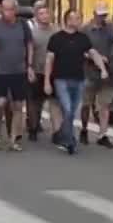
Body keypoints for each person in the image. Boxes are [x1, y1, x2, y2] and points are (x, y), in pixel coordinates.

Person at [43, 10, 107, 155]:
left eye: (79, 18)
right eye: (75, 18)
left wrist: (102, 69)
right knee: (67, 109)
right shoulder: (56, 38)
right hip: (61, 79)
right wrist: (47, 81)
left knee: (72, 110)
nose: (78, 21)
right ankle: (70, 140)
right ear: (68, 20)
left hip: (78, 80)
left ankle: (62, 134)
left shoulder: (83, 38)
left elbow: (93, 53)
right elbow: (49, 60)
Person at [0, 0, 34, 151]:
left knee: (18, 105)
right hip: (1, 71)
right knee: (0, 104)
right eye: (5, 9)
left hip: (19, 70)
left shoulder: (23, 25)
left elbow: (29, 44)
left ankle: (13, 139)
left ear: (16, 10)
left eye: (11, 9)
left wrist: (29, 65)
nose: (8, 12)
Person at [81, 0, 113, 148]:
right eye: (100, 15)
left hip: (107, 73)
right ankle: (84, 129)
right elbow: (80, 50)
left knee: (105, 105)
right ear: (94, 14)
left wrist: (110, 60)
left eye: (104, 15)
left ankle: (103, 134)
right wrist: (92, 57)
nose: (102, 18)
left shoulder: (111, 29)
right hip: (89, 72)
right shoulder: (85, 30)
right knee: (86, 104)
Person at [26, 4, 58, 143]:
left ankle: (57, 132)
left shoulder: (56, 32)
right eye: (41, 13)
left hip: (53, 72)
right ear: (37, 17)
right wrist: (29, 68)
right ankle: (33, 128)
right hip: (37, 71)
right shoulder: (32, 33)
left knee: (54, 103)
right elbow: (28, 52)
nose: (45, 16)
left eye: (47, 13)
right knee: (34, 103)